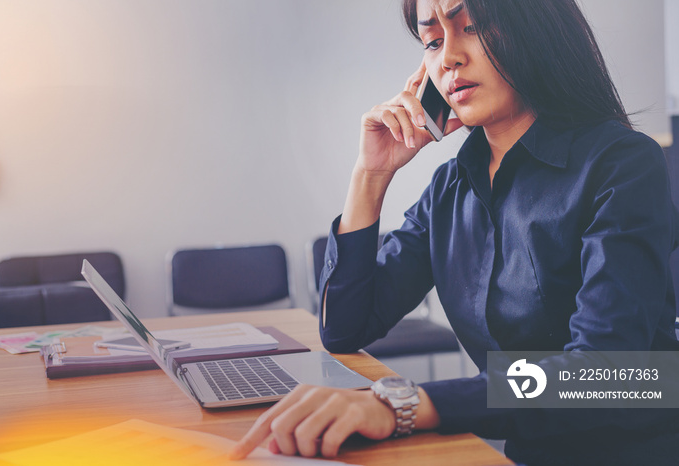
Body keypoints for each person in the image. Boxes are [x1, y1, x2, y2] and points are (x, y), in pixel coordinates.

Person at [230, 0, 679, 464]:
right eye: (432, 41)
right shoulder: (452, 186)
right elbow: (345, 328)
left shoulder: (622, 164)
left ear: (537, 30)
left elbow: (602, 371)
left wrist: (404, 404)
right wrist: (371, 175)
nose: (448, 58)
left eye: (474, 27)